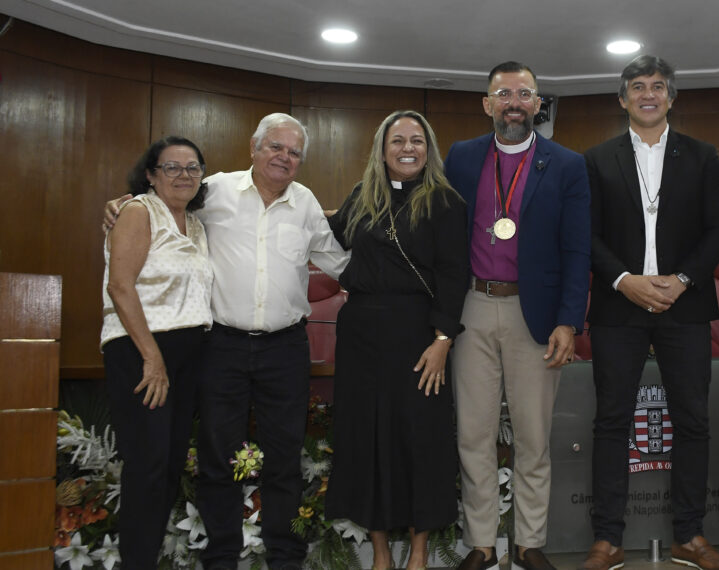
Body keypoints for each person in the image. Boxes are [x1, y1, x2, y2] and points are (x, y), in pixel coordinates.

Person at [104, 113, 349, 570]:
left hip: (286, 347)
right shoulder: (211, 189)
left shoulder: (306, 203)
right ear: (254, 148)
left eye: (294, 152)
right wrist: (124, 203)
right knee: (218, 455)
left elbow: (339, 261)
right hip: (221, 346)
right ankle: (221, 557)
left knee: (285, 458)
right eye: (275, 146)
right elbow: (160, 200)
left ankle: (285, 555)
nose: (284, 157)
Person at [580, 55, 719, 570]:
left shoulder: (701, 156)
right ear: (623, 98)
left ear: (671, 97)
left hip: (683, 305)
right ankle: (608, 540)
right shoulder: (597, 159)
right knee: (610, 423)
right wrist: (626, 281)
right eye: (638, 86)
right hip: (617, 306)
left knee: (693, 422)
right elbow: (587, 235)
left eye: (659, 86)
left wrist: (682, 280)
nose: (649, 94)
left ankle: (688, 537)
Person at [444, 61, 590, 570]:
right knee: (473, 434)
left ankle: (529, 542)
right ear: (487, 104)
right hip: (472, 309)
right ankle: (481, 543)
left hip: (538, 316)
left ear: (538, 104)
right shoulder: (459, 159)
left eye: (524, 94)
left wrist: (569, 322)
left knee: (533, 436)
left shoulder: (567, 165)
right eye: (503, 93)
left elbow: (577, 251)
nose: (514, 102)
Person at [322, 110, 468, 570]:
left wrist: (443, 339)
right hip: (362, 333)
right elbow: (326, 228)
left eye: (417, 140)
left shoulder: (446, 203)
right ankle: (381, 551)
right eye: (398, 140)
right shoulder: (361, 198)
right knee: (366, 439)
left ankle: (419, 552)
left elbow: (453, 275)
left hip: (419, 334)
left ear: (429, 149)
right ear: (381, 150)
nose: (408, 148)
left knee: (419, 439)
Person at [102, 136, 213, 569]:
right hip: (141, 350)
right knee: (147, 467)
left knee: (166, 468)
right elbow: (120, 286)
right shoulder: (137, 211)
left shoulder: (197, 224)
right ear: (150, 174)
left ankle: (144, 558)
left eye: (192, 168)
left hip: (188, 354)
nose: (183, 175)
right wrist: (151, 356)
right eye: (172, 167)